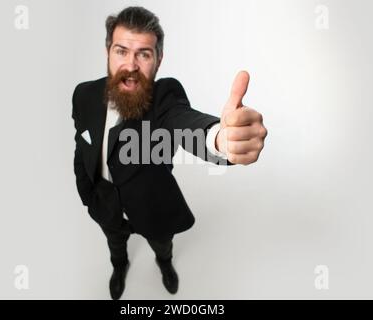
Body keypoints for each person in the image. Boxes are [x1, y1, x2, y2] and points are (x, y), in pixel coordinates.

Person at [72, 6, 267, 300]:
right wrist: (87, 193)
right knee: (115, 244)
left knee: (162, 245)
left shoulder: (165, 97)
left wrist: (220, 139)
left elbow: (185, 122)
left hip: (153, 206)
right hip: (104, 203)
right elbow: (81, 144)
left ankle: (164, 264)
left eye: (144, 54)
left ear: (158, 60)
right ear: (107, 52)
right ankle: (119, 266)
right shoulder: (83, 94)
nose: (131, 65)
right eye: (121, 51)